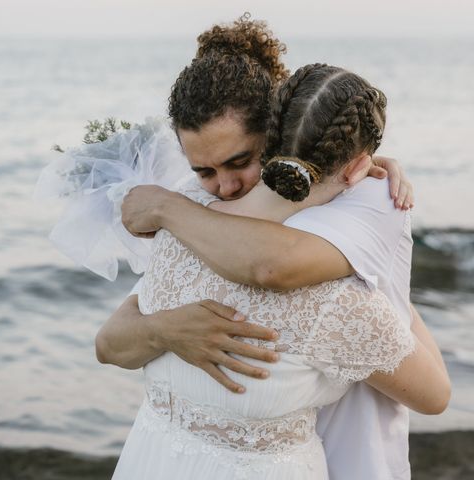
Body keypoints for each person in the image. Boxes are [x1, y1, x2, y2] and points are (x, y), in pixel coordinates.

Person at [96, 16, 439, 480]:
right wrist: (163, 331)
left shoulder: (184, 222)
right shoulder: (195, 225)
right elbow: (108, 343)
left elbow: (270, 265)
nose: (224, 187)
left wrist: (163, 207)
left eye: (240, 161)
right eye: (204, 172)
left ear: (275, 136)